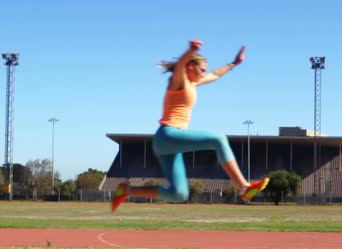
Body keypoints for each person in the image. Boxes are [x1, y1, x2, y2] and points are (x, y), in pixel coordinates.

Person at [112, 40, 269, 212]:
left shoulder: (193, 84)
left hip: (170, 143)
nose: (203, 73)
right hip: (168, 135)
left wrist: (234, 63)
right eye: (201, 69)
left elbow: (216, 75)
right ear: (191, 66)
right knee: (218, 139)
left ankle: (127, 190)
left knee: (178, 194)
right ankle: (244, 188)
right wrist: (190, 50)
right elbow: (180, 64)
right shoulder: (178, 81)